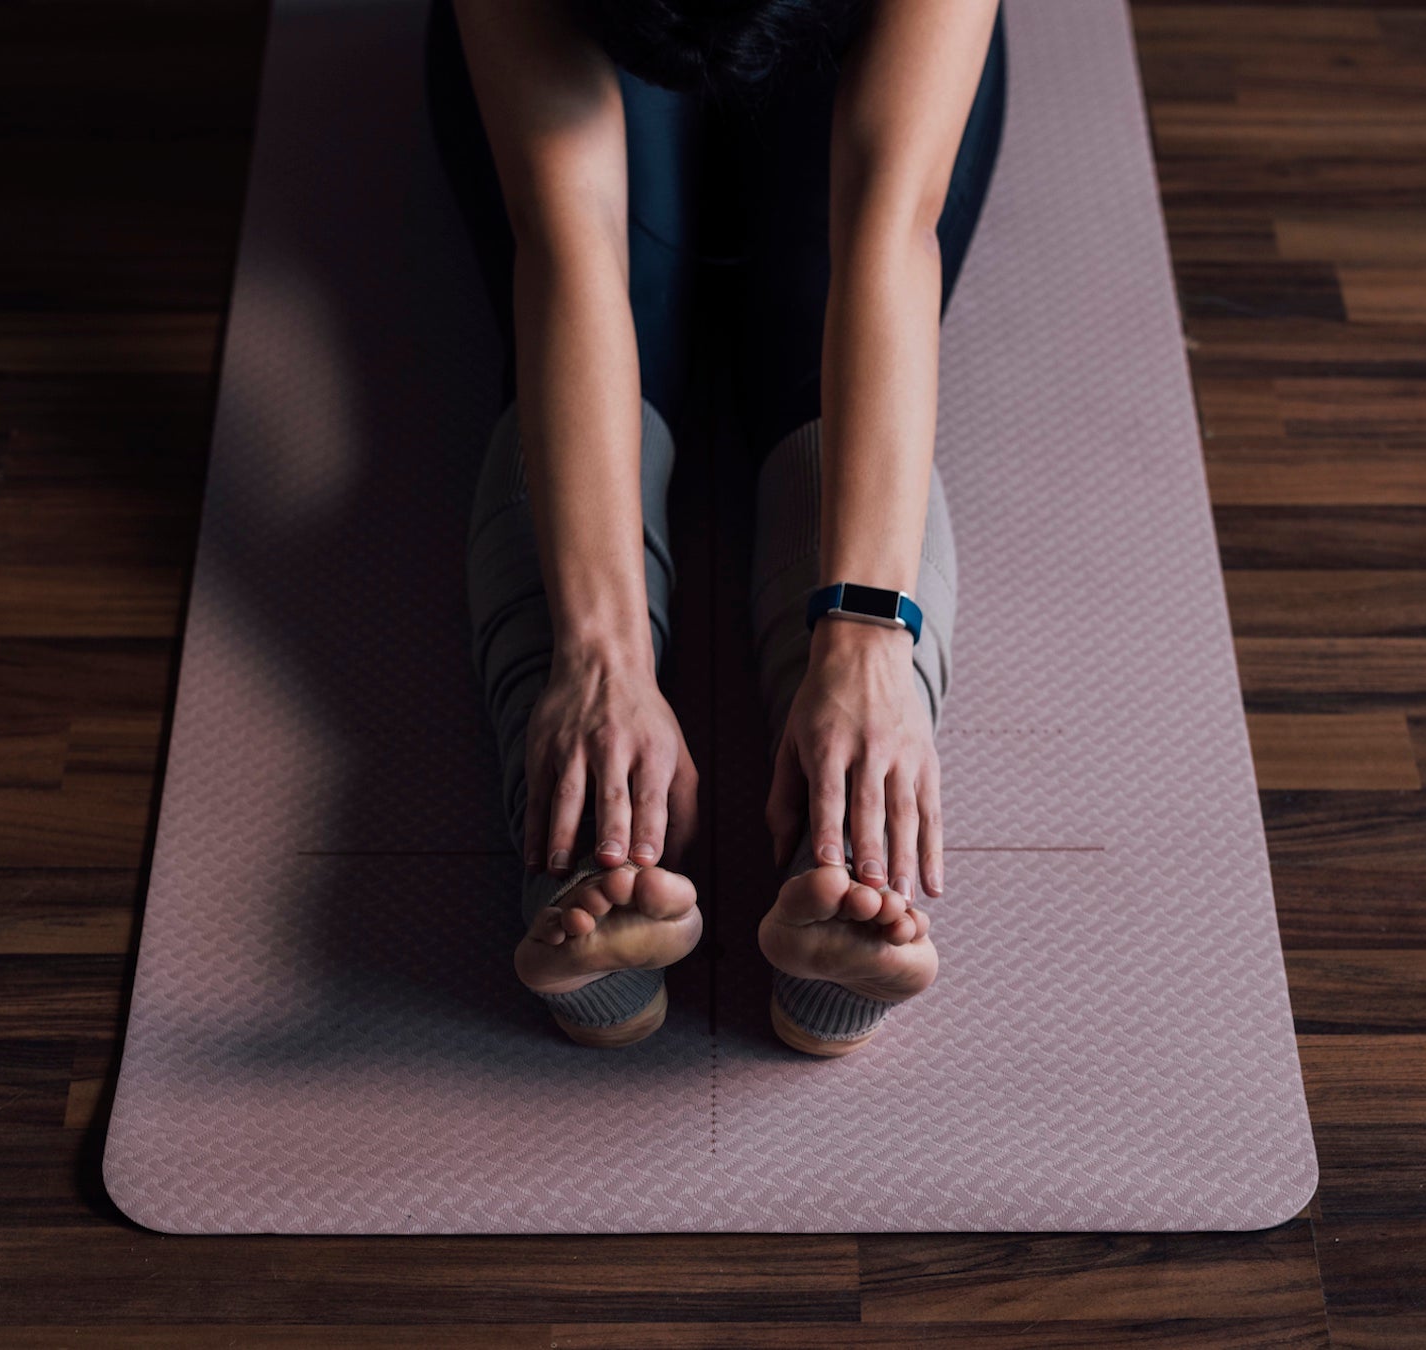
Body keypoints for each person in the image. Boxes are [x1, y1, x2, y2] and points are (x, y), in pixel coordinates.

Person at [431, 0, 1006, 1054]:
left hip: (864, 55)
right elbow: (573, 234)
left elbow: (889, 225)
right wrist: (600, 661)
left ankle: (845, 844)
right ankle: (587, 826)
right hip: (580, 60)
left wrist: (869, 645)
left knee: (815, 323)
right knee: (623, 309)